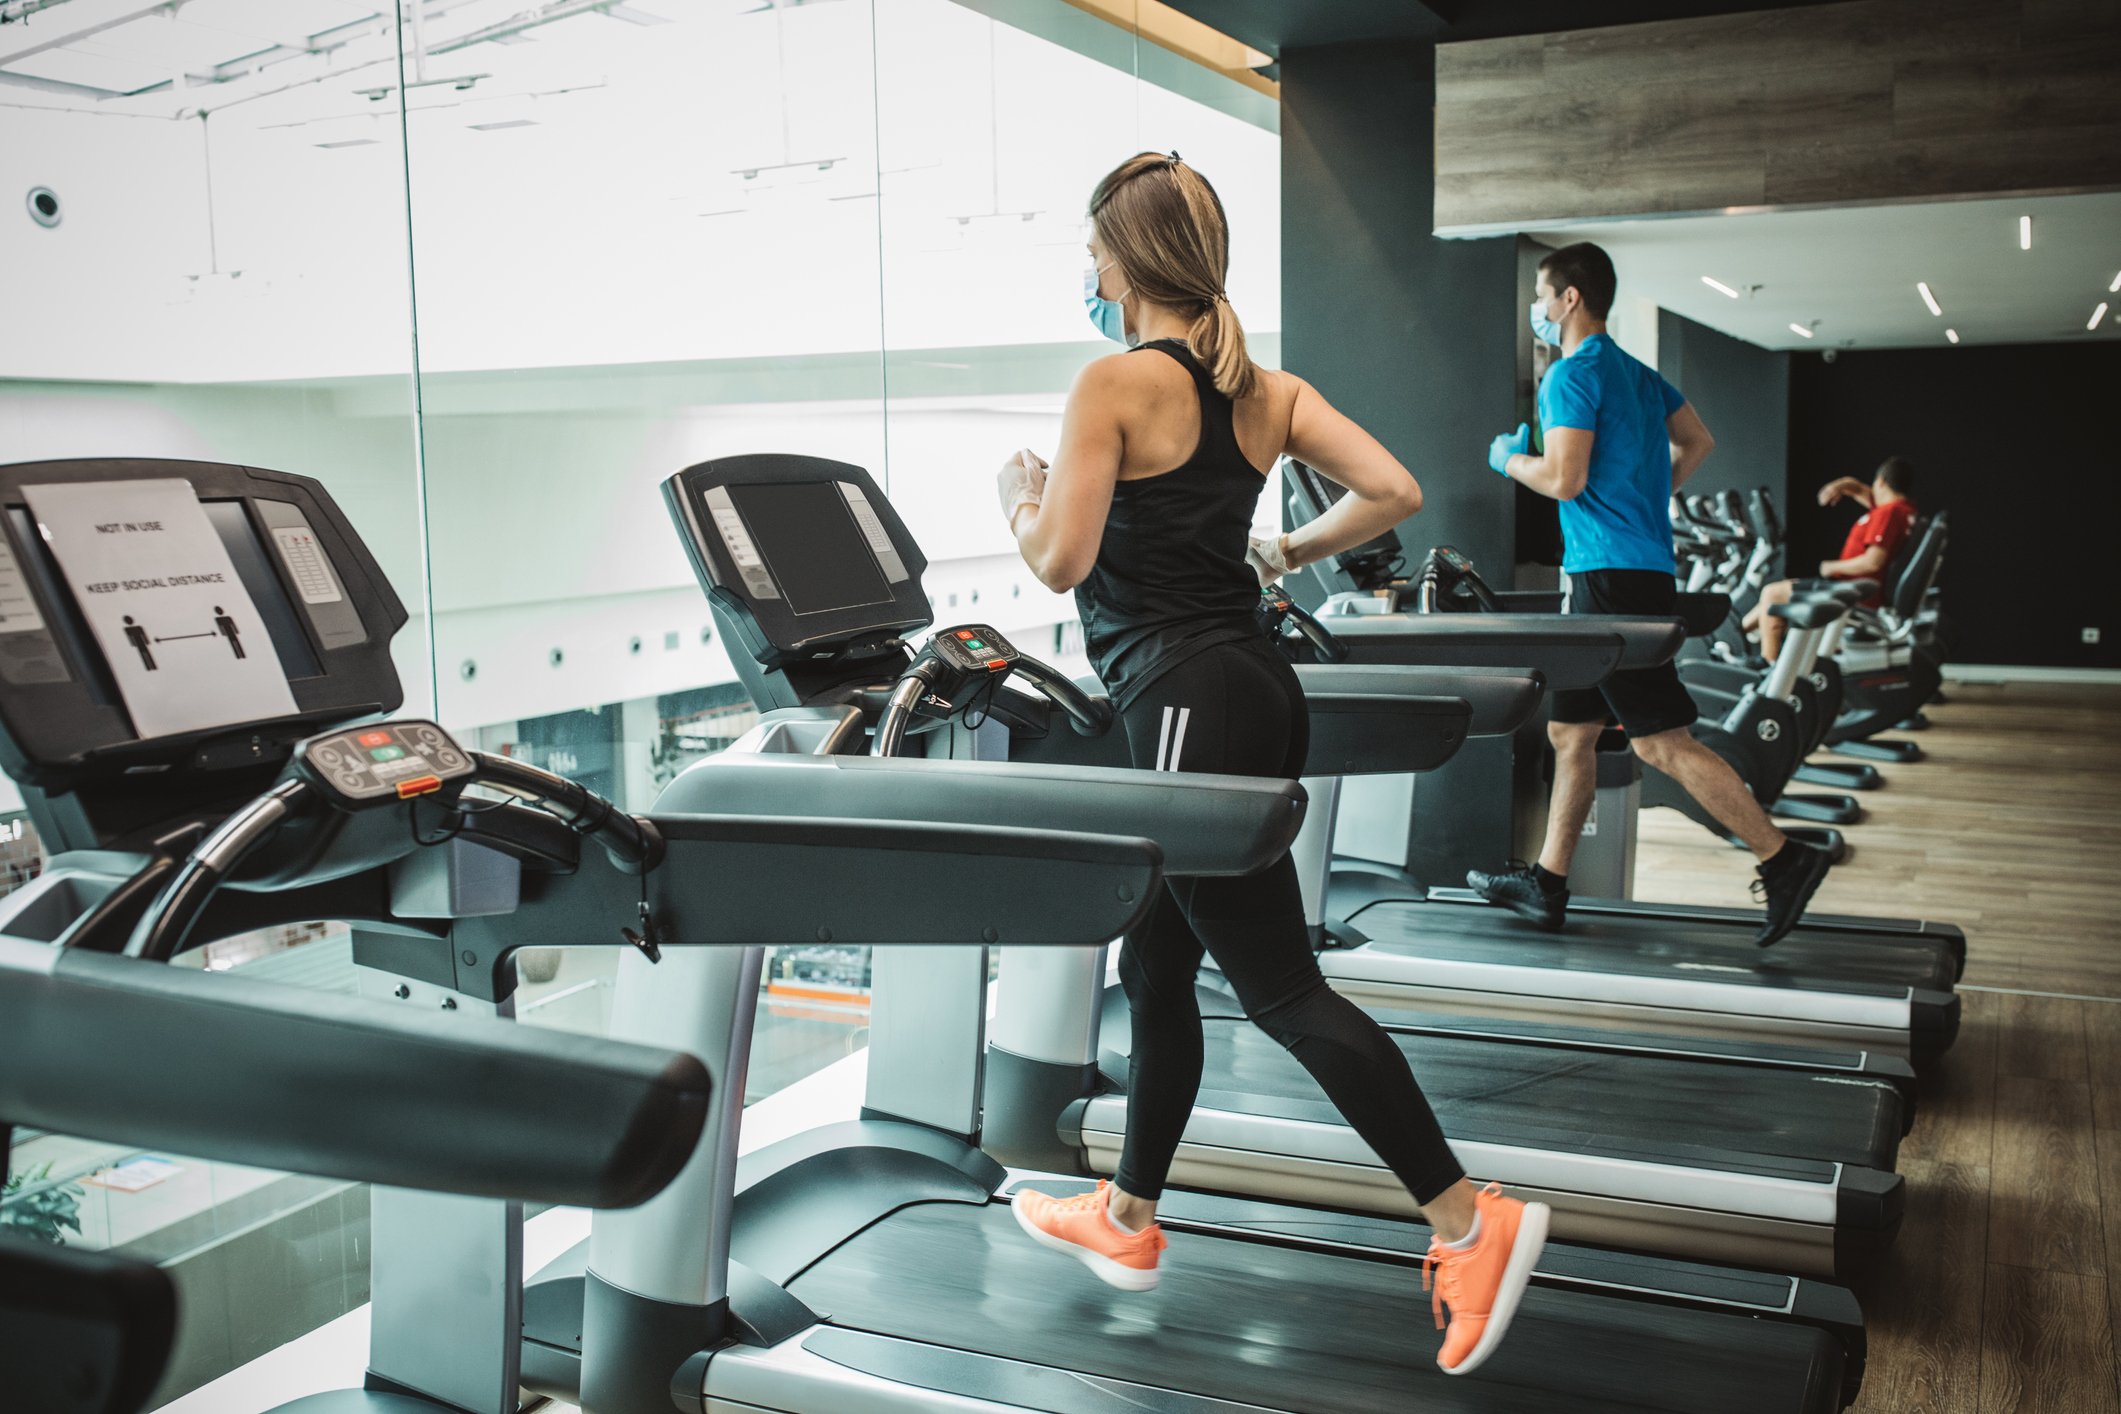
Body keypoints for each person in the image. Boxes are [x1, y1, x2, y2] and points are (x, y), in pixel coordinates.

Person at [997, 151, 1547, 1378]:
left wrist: (1016, 494)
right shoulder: (1268, 390)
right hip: (1257, 684)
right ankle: (1129, 1218)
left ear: (1131, 262)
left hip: (1185, 697)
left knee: (1282, 988)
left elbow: (1058, 563)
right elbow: (1394, 488)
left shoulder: (1111, 384)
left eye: (1094, 253)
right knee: (1157, 956)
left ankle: (1467, 1218)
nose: (1088, 274)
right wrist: (1283, 548)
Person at [1469, 241, 1833, 947]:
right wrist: (1643, 495)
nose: (1540, 313)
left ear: (1569, 298)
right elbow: (1696, 441)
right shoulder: (1636, 373)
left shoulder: (1570, 376)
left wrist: (1508, 459)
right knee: (1569, 732)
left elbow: (1564, 480)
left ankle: (1784, 859)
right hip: (1626, 568)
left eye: (1543, 299)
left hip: (1608, 577)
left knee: (1661, 743)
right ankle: (1546, 883)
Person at [1742, 457, 1918, 661]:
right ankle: (1735, 634)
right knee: (1770, 598)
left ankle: (1768, 667)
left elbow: (1873, 562)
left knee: (1772, 593)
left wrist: (1830, 567)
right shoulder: (1904, 511)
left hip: (1854, 591)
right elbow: (1862, 492)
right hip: (1856, 588)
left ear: (1880, 482)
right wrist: (1844, 484)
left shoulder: (1889, 512)